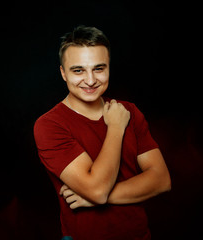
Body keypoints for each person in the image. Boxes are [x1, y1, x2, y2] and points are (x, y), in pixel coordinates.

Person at [33, 25, 171, 240]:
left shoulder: (130, 111)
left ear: (109, 67)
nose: (90, 80)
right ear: (62, 73)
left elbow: (161, 180)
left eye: (99, 68)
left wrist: (99, 197)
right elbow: (97, 189)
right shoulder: (49, 125)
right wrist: (115, 127)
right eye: (78, 70)